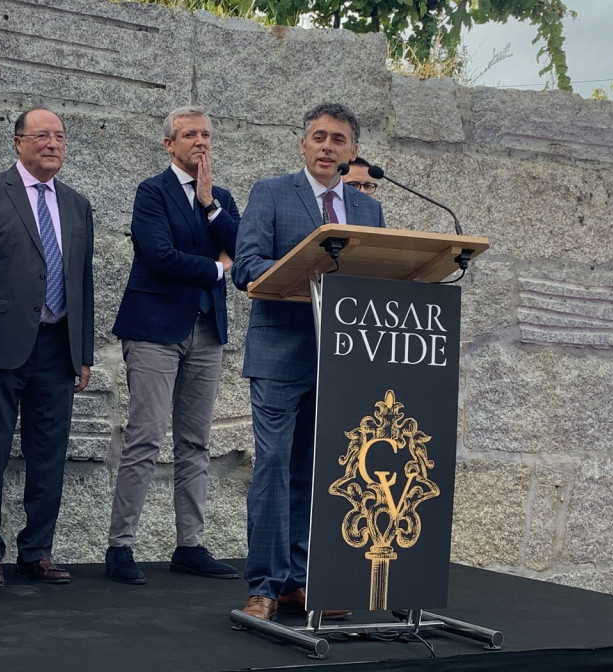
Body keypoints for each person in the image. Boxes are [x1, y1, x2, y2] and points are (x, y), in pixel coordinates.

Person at [230, 103, 386, 624]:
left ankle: (300, 580)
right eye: (318, 137)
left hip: (341, 359)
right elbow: (246, 266)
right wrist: (299, 269)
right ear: (302, 145)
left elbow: (377, 281)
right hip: (280, 352)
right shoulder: (271, 193)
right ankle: (264, 586)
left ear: (352, 152)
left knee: (317, 472)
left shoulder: (367, 211)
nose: (326, 146)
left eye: (337, 139)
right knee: (273, 467)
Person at [0, 107, 94, 588]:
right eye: (41, 136)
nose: (52, 143)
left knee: (49, 454)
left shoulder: (77, 204)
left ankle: (37, 550)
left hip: (58, 347)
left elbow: (82, 283)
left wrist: (84, 353)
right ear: (17, 142)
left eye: (59, 136)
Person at [106, 107, 241, 585]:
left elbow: (241, 253)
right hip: (154, 330)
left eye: (207, 134)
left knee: (196, 442)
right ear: (169, 144)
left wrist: (209, 204)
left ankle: (190, 545)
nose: (201, 142)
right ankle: (121, 546)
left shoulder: (219, 198)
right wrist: (216, 267)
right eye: (190, 135)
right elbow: (160, 257)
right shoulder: (152, 191)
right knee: (145, 437)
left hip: (206, 331)